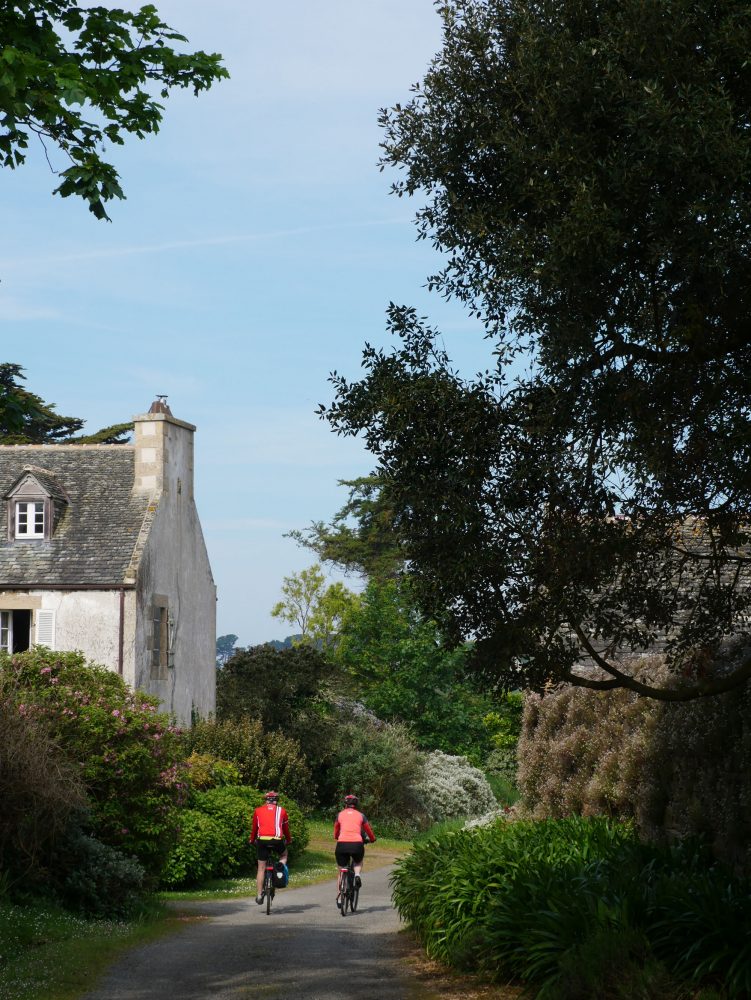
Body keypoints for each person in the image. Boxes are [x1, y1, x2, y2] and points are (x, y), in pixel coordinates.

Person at [249, 791, 291, 905]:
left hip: (262, 840)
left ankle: (259, 895)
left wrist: (252, 840)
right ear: (277, 800)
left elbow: (254, 829)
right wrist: (289, 839)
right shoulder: (282, 811)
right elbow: (286, 829)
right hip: (277, 840)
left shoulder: (258, 811)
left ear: (266, 800)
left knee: (261, 868)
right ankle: (279, 867)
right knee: (284, 854)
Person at [334, 793, 376, 889]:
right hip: (357, 844)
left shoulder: (339, 815)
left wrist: (337, 837)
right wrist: (372, 839)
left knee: (341, 868)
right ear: (356, 805)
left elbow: (336, 830)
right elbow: (368, 829)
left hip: (342, 844)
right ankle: (357, 874)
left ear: (345, 804)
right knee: (358, 861)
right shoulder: (361, 815)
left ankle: (340, 897)